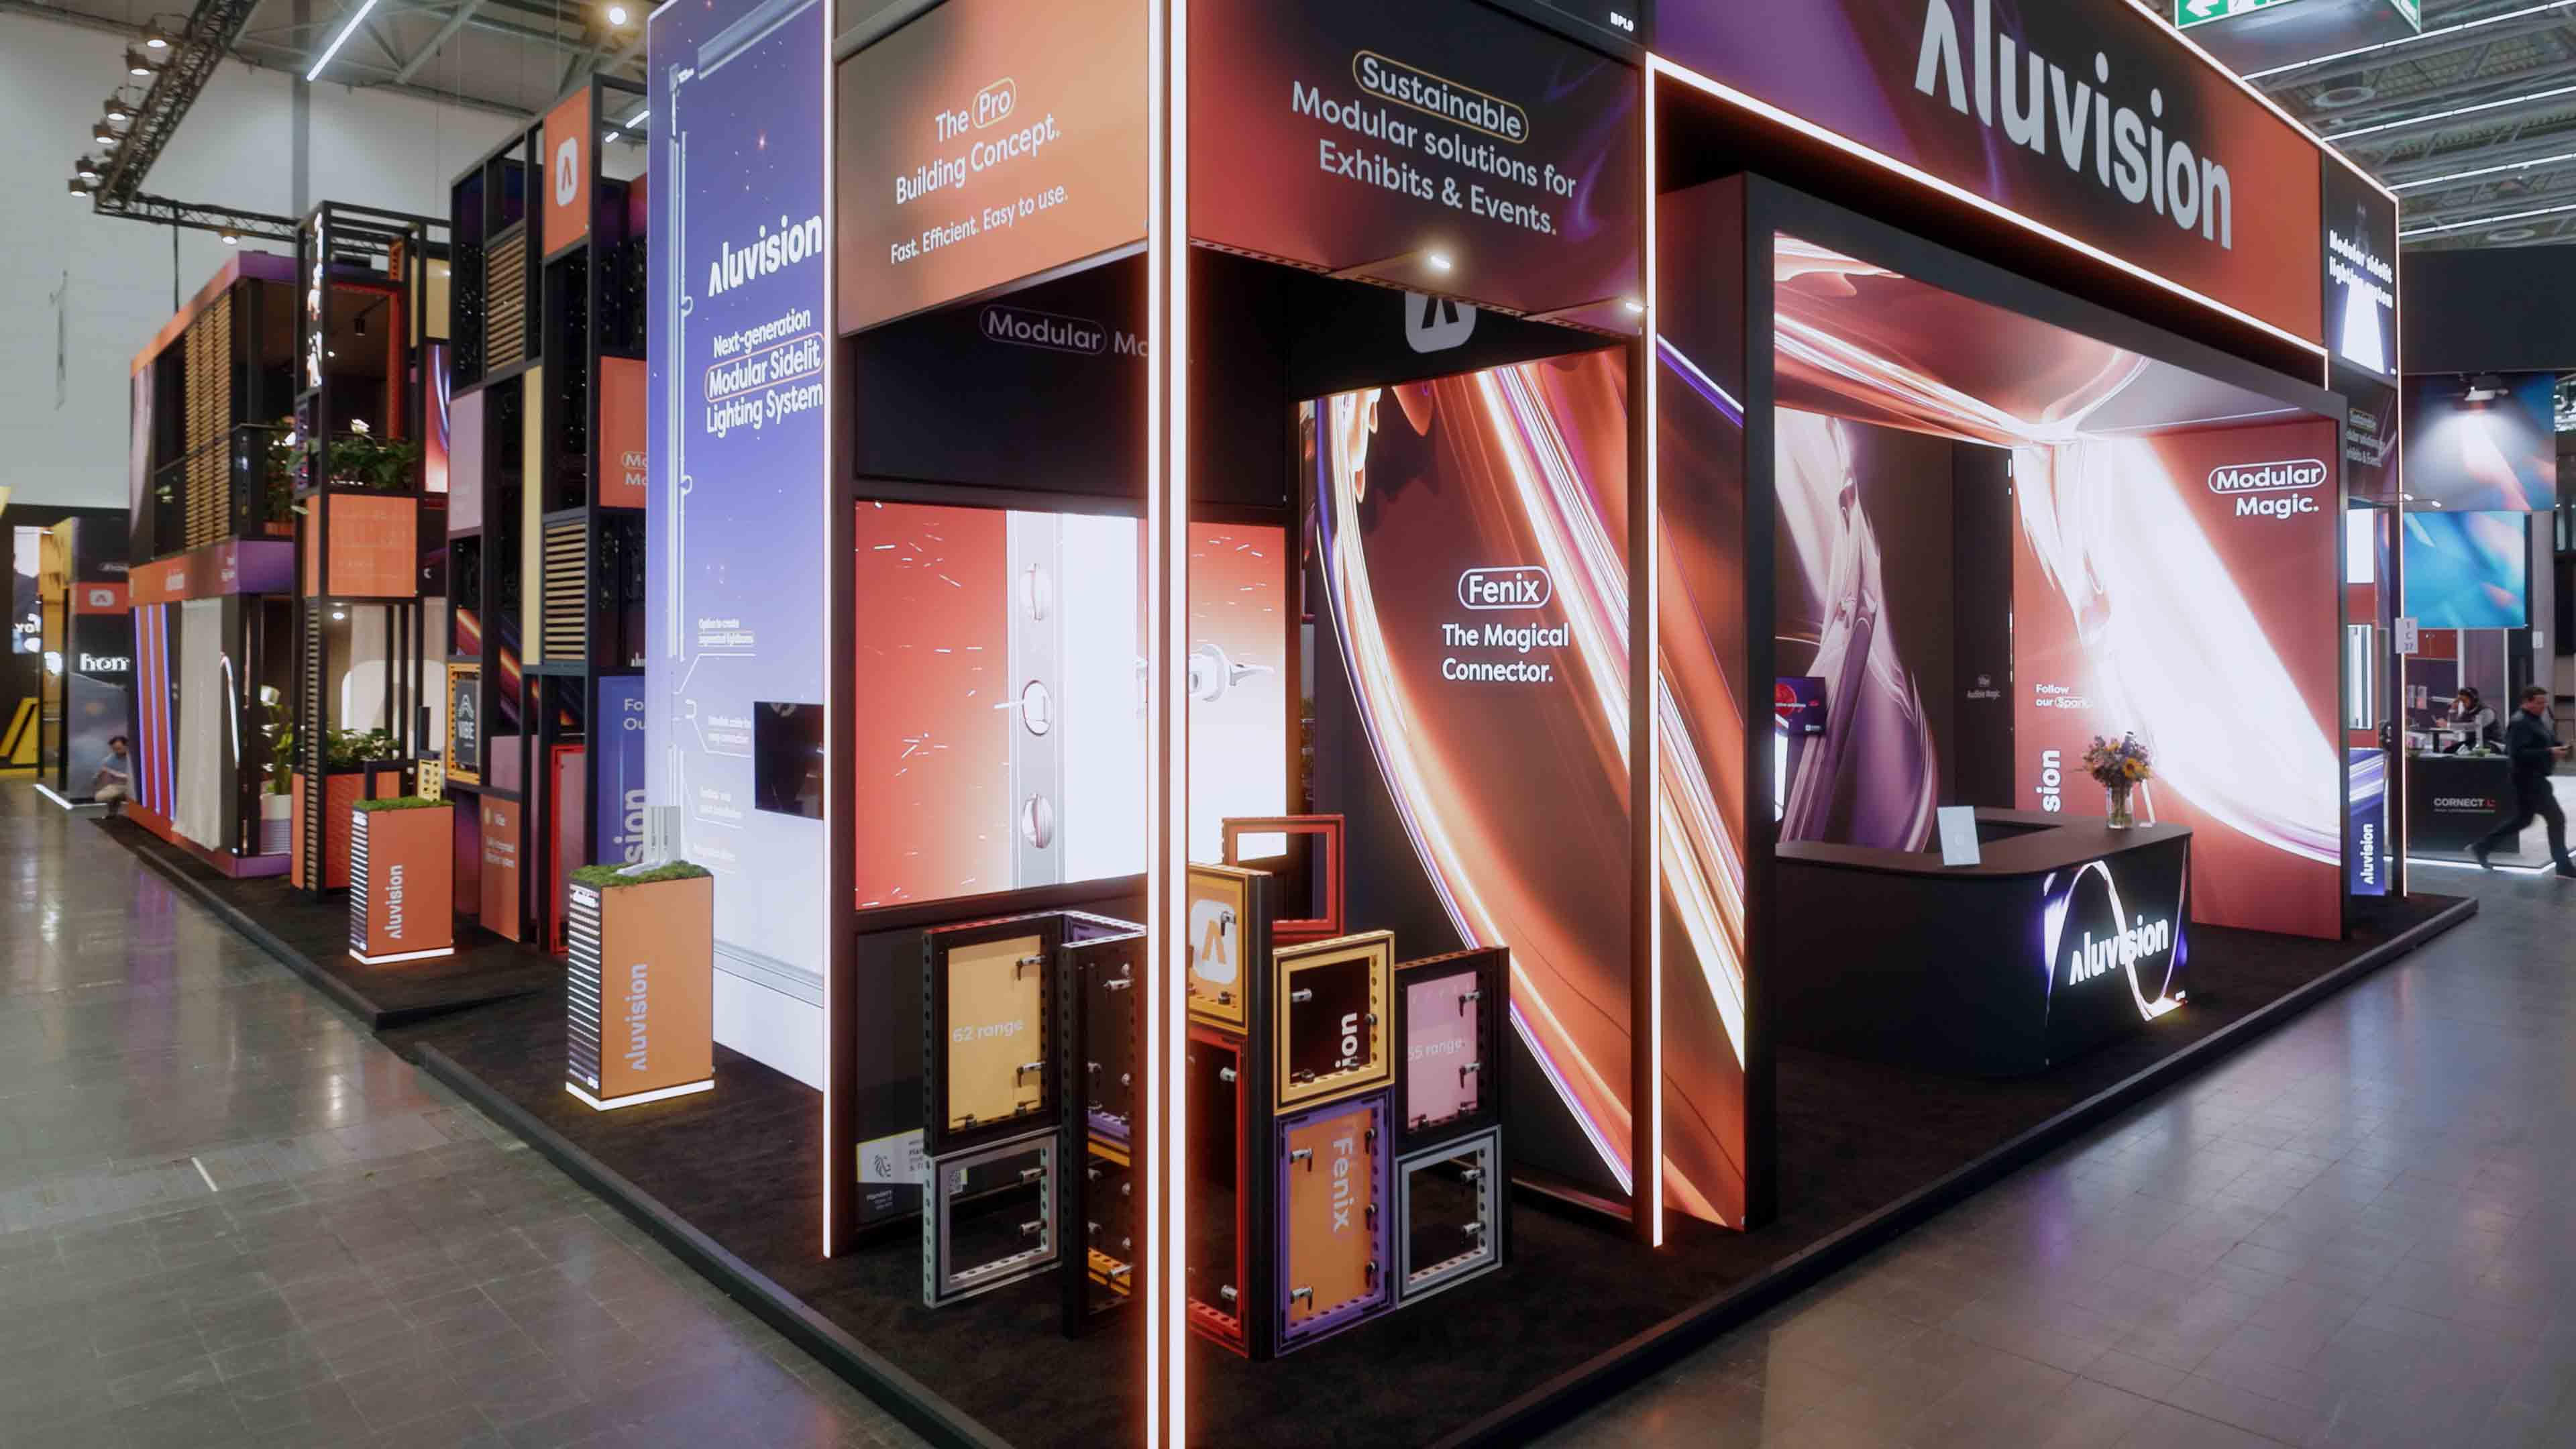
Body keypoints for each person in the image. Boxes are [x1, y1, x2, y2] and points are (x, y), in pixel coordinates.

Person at [2473, 687, 2574, 877]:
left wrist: (2562, 747)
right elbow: (2517, 753)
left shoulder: (2535, 720)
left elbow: (2546, 742)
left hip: (2535, 778)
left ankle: (2482, 846)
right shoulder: (2519, 723)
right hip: (2528, 779)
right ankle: (2564, 866)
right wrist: (2549, 752)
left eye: (2545, 702)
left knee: (2523, 819)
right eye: (2539, 702)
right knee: (2556, 819)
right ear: (2527, 702)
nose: (2544, 706)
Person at [2444, 688, 2497, 752]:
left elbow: (2475, 726)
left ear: (2474, 700)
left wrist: (2449, 725)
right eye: (2461, 701)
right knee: (2448, 751)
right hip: (2473, 742)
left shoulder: (2487, 711)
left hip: (2492, 743)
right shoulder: (2466, 713)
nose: (2463, 704)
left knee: (2469, 751)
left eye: (2464, 701)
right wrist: (2453, 709)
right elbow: (2457, 725)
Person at [91, 735, 132, 813]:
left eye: (119, 749)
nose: (116, 751)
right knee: (100, 797)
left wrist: (112, 772)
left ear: (126, 746)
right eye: (114, 749)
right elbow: (96, 779)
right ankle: (113, 810)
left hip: (133, 786)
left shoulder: (135, 757)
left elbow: (131, 778)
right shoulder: (109, 760)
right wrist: (99, 777)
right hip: (118, 786)